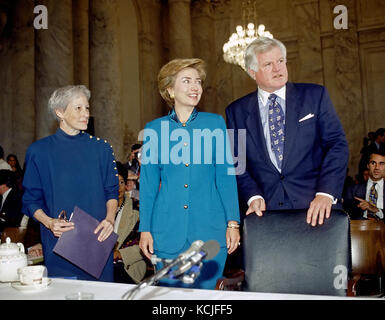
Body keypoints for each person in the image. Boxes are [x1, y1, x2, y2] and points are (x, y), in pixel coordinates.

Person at [139, 58, 240, 289]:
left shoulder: (215, 124)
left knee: (206, 300)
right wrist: (145, 228)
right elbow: (148, 185)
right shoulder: (154, 129)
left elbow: (226, 177)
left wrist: (232, 223)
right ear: (170, 89)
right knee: (170, 301)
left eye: (198, 82)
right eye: (187, 81)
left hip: (210, 232)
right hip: (166, 233)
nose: (195, 87)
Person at [225, 37, 349, 226]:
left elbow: (336, 145)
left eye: (281, 61)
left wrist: (326, 193)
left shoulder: (315, 95)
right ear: (252, 72)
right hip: (266, 215)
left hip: (318, 209)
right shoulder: (236, 111)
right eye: (268, 64)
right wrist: (252, 196)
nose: (278, 68)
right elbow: (237, 163)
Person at [22, 85, 119, 281]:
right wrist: (49, 223)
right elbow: (30, 200)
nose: (85, 114)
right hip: (59, 246)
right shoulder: (39, 151)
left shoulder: (102, 149)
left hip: (97, 244)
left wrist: (109, 219)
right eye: (78, 108)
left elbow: (112, 192)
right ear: (60, 112)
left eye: (87, 108)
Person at [113, 163, 147, 284]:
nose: (118, 187)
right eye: (113, 182)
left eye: (121, 182)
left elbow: (144, 243)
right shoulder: (98, 208)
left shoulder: (138, 208)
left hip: (129, 266)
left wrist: (120, 254)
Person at [343, 151, 385, 220]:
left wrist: (376, 210)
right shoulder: (353, 189)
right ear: (368, 165)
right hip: (359, 228)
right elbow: (346, 215)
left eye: (381, 164)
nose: (377, 167)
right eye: (373, 163)